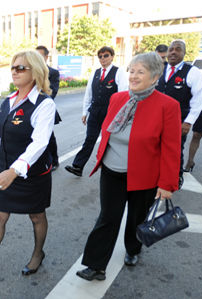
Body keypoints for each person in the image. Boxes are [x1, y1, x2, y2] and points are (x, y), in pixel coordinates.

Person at [76, 52, 181, 281]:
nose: (133, 76)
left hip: (144, 175)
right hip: (112, 171)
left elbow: (171, 149)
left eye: (140, 72)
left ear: (154, 77)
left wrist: (167, 184)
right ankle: (95, 265)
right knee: (107, 217)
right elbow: (107, 131)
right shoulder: (118, 98)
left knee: (136, 217)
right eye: (131, 71)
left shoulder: (168, 106)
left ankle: (133, 249)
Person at [0, 50, 56, 286]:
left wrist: (15, 170)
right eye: (13, 67)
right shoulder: (8, 101)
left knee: (36, 216)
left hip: (31, 172)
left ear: (35, 72)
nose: (14, 71)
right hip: (6, 169)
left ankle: (38, 253)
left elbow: (40, 143)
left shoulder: (44, 104)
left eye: (21, 68)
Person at [65, 46, 128, 176]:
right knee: (89, 139)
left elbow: (123, 94)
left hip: (109, 113)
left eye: (106, 55)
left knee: (109, 141)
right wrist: (85, 112)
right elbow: (89, 94)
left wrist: (118, 115)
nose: (103, 58)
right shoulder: (95, 73)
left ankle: (108, 168)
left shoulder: (119, 72)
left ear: (112, 56)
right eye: (100, 56)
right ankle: (78, 166)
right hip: (95, 111)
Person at [155, 40, 202, 187]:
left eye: (178, 49)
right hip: (156, 118)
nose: (173, 52)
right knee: (154, 147)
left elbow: (199, 98)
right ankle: (157, 173)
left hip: (178, 120)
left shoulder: (192, 72)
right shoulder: (158, 68)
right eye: (171, 49)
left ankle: (176, 176)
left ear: (184, 53)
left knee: (175, 149)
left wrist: (189, 121)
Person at [36, 45, 61, 171]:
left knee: (49, 137)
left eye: (40, 56)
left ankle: (54, 161)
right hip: (31, 110)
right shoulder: (31, 71)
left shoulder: (53, 73)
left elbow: (53, 92)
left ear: (46, 57)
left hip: (45, 108)